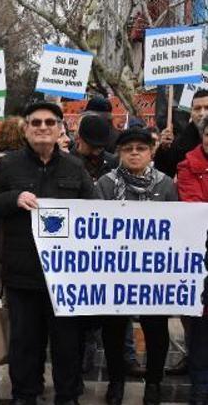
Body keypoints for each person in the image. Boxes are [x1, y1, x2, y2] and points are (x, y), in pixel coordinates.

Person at [0, 102, 96, 405]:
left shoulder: (75, 167)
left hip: (65, 277)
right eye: (36, 123)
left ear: (60, 129)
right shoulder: (8, 166)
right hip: (23, 274)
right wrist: (13, 198)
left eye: (49, 122)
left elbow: (96, 213)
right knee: (25, 345)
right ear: (27, 129)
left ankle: (67, 396)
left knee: (67, 345)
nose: (43, 127)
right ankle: (24, 395)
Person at [95, 127, 177, 405]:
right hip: (115, 271)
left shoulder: (166, 185)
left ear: (150, 152)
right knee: (114, 329)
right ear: (120, 152)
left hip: (154, 272)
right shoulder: (105, 184)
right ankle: (116, 381)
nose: (134, 153)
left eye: (140, 148)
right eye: (128, 148)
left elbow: (177, 226)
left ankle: (153, 383)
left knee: (156, 329)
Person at [176, 119, 208, 403]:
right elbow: (195, 208)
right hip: (201, 257)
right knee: (200, 326)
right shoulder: (187, 167)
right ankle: (200, 387)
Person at [156, 89, 208, 177]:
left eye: (207, 108)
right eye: (197, 108)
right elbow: (164, 174)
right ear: (191, 112)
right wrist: (164, 150)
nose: (202, 113)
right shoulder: (179, 144)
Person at [71, 114, 118, 181]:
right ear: (79, 138)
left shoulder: (113, 162)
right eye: (93, 146)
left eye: (101, 146)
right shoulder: (67, 163)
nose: (96, 152)